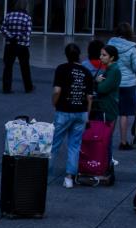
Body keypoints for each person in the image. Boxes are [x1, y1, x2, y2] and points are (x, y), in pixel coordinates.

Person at [51, 43, 93, 189]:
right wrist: (87, 114)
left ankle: (44, 173)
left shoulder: (61, 69)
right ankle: (69, 178)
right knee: (74, 145)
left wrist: (54, 103)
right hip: (81, 112)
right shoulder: (86, 72)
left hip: (64, 110)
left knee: (54, 144)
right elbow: (89, 97)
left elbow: (57, 91)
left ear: (66, 54)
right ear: (79, 55)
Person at [107, 23, 136, 150]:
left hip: (113, 82)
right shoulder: (132, 49)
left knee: (112, 113)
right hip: (128, 84)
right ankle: (123, 141)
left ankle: (107, 139)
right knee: (124, 113)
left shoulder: (110, 46)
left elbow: (105, 62)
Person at [92, 46, 122, 169]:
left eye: (104, 55)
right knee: (104, 136)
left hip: (107, 107)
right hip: (105, 105)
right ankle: (105, 162)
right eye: (101, 54)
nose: (101, 57)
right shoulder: (109, 68)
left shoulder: (114, 70)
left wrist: (97, 82)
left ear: (112, 57)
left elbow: (102, 88)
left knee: (106, 137)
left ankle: (107, 163)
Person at [1, 0, 34, 94]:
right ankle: (28, 87)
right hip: (22, 45)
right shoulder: (27, 17)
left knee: (8, 67)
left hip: (9, 45)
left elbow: (3, 29)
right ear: (25, 6)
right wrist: (18, 37)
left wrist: (11, 37)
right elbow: (27, 32)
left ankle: (6, 88)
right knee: (25, 67)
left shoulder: (8, 15)